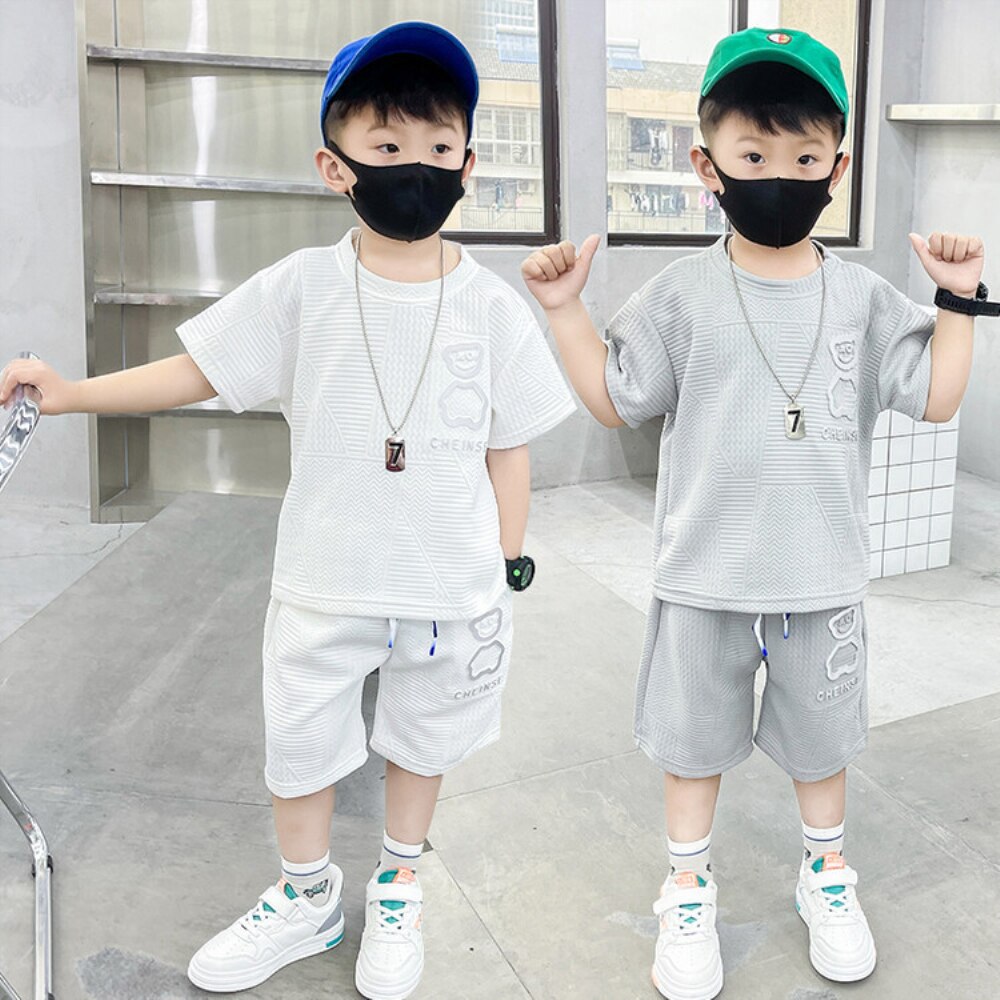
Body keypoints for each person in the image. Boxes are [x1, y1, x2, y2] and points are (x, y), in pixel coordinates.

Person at [1, 21, 574, 1000]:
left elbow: (507, 445)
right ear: (334, 165)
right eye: (387, 144)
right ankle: (307, 897)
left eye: (438, 146)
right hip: (324, 579)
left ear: (468, 165)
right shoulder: (303, 288)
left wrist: (508, 561)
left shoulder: (491, 308)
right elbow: (196, 370)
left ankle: (399, 886)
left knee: (422, 743)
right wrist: (68, 393)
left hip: (452, 590)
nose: (415, 165)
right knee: (300, 749)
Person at [520, 26, 985, 1000]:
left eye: (805, 159)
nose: (780, 175)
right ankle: (687, 888)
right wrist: (564, 311)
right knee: (692, 745)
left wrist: (957, 302)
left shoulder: (861, 298)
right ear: (709, 166)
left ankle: (826, 873)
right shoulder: (681, 295)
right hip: (705, 574)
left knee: (823, 743)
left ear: (837, 170)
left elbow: (937, 397)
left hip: (822, 576)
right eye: (754, 155)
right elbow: (614, 399)